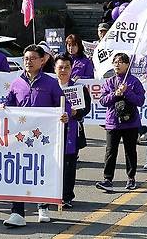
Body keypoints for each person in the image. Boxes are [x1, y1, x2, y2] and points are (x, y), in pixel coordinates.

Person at [2, 44, 70, 227]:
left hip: (43, 137)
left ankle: (43, 206)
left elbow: (63, 105)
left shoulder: (50, 83)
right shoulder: (16, 82)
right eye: (26, 58)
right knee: (19, 172)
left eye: (32, 58)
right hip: (21, 138)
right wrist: (3, 108)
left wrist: (65, 115)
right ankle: (17, 212)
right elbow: (8, 103)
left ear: (42, 60)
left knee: (42, 169)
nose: (28, 62)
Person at [95, 53, 145, 193]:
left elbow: (140, 101)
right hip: (113, 122)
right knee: (110, 151)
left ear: (128, 64)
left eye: (121, 62)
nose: (117, 64)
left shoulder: (134, 81)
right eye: (115, 62)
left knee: (130, 151)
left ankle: (131, 178)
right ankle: (108, 179)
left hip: (131, 122)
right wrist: (115, 94)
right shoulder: (109, 81)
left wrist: (127, 92)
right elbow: (103, 100)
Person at [53, 54, 91, 208]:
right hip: (51, 132)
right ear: (54, 68)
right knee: (53, 165)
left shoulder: (79, 87)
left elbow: (86, 108)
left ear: (71, 68)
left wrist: (77, 113)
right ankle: (52, 195)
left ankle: (67, 196)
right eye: (60, 67)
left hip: (72, 132)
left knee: (69, 165)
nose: (63, 70)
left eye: (67, 67)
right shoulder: (49, 86)